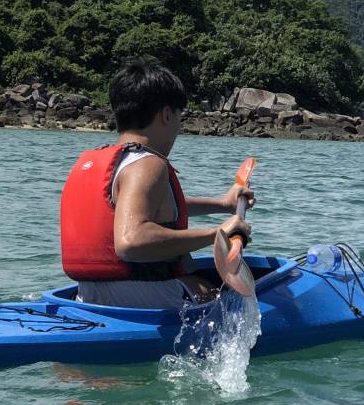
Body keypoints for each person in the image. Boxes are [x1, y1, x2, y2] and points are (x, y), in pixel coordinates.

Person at [59, 58, 253, 307]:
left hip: (89, 301)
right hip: (148, 302)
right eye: (178, 117)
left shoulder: (104, 161)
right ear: (166, 114)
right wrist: (219, 234)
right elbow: (132, 241)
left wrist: (223, 204)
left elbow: (155, 206)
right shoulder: (149, 164)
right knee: (222, 293)